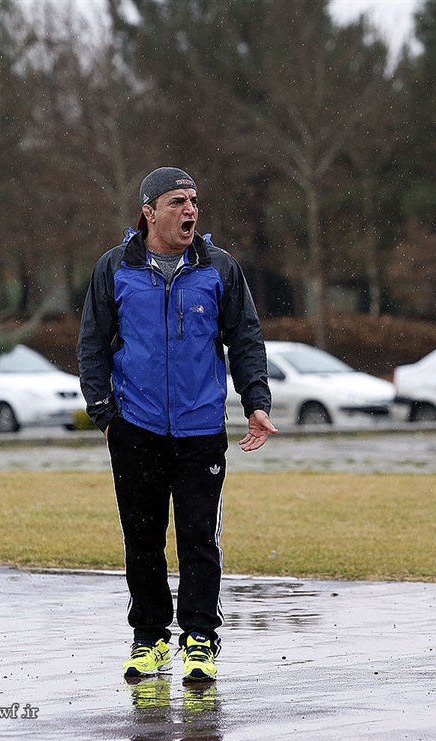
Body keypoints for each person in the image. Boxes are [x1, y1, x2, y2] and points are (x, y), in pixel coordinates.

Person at [77, 166, 277, 682]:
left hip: (200, 432)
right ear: (149, 212)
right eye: (177, 202)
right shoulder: (114, 268)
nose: (190, 210)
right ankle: (149, 640)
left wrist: (256, 402)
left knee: (198, 540)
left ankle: (200, 641)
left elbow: (245, 339)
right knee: (142, 541)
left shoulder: (220, 268)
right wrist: (105, 416)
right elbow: (93, 344)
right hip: (135, 430)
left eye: (193, 201)